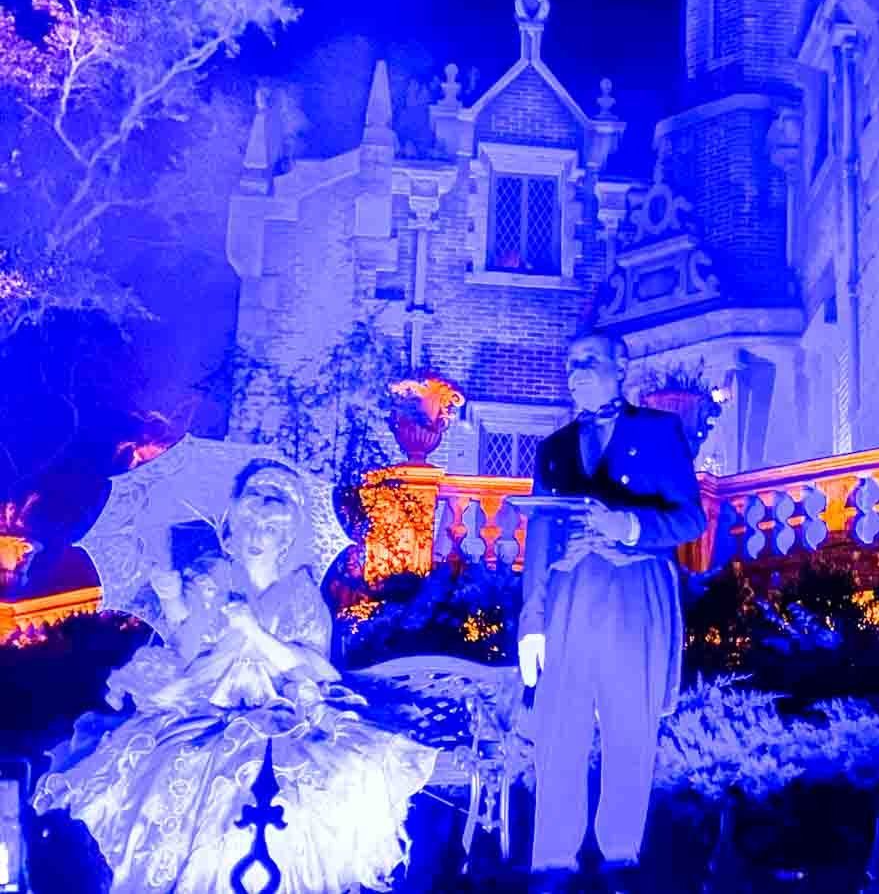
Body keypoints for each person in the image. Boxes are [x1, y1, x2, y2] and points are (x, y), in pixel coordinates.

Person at [34, 459, 440, 894]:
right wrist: (173, 601)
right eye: (250, 522)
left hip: (283, 710)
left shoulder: (301, 595)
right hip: (208, 705)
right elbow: (189, 653)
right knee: (180, 779)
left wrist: (253, 630)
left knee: (297, 794)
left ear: (286, 537)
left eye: (269, 527)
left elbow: (310, 667)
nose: (257, 535)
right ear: (234, 525)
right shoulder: (211, 579)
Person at [519, 332, 706, 893]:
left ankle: (621, 859)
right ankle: (552, 862)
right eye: (570, 365)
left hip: (633, 594)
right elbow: (539, 537)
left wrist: (627, 527)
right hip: (569, 597)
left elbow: (690, 520)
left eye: (588, 363)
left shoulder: (657, 431)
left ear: (619, 367)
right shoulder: (553, 448)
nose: (574, 374)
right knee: (559, 729)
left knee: (630, 726)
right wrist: (532, 621)